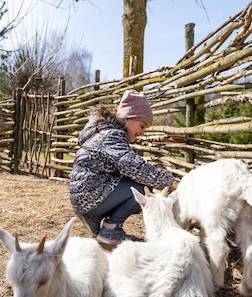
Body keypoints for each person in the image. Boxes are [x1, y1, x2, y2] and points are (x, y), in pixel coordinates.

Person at [69, 89, 177, 246]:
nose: (142, 132)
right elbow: (135, 167)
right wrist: (171, 182)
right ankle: (110, 230)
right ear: (127, 118)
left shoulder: (105, 132)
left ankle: (94, 217)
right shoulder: (112, 135)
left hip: (86, 195)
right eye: (142, 126)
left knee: (135, 185)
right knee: (141, 188)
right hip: (90, 195)